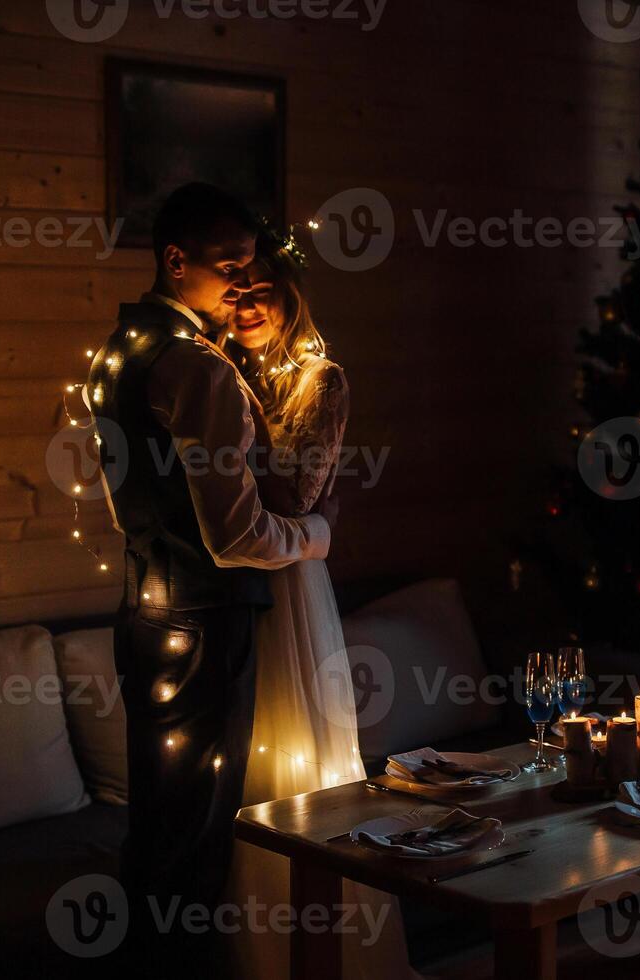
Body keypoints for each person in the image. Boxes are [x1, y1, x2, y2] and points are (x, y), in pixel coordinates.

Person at [85, 184, 336, 974]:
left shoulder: (120, 349)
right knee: (194, 845)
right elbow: (236, 537)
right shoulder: (198, 367)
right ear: (175, 261)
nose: (241, 282)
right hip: (204, 618)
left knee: (158, 832)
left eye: (250, 265)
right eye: (228, 266)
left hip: (147, 612)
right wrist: (316, 537)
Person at [222, 228, 422, 980]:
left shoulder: (321, 380)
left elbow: (297, 492)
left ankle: (327, 953)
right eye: (233, 290)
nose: (244, 304)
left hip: (293, 584)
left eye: (260, 289)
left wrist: (309, 521)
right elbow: (295, 507)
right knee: (245, 763)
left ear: (289, 294)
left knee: (301, 758)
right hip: (247, 571)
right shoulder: (215, 376)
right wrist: (315, 524)